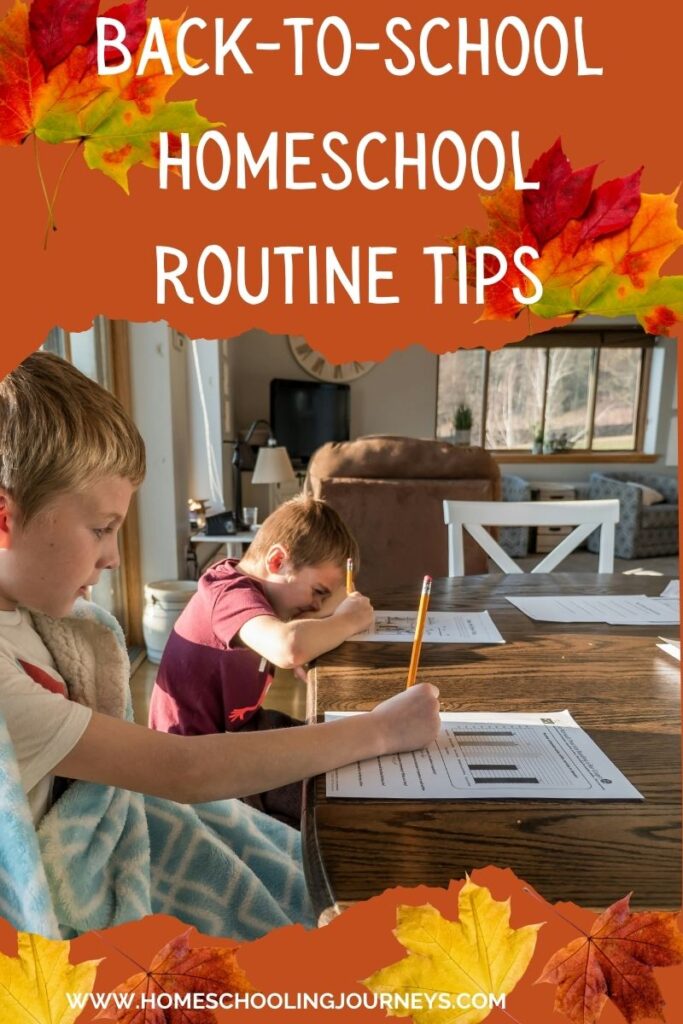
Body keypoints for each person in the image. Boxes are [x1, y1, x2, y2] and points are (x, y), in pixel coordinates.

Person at [0, 351, 441, 936]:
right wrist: (383, 730)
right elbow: (182, 770)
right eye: (101, 529)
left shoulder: (29, 616)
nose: (111, 556)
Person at [149, 494, 375, 824]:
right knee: (330, 797)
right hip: (197, 767)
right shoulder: (227, 592)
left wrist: (321, 625)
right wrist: (347, 621)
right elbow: (289, 647)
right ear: (276, 561)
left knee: (341, 753)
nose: (317, 609)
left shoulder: (265, 596)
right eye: (318, 593)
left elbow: (294, 640)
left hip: (239, 734)